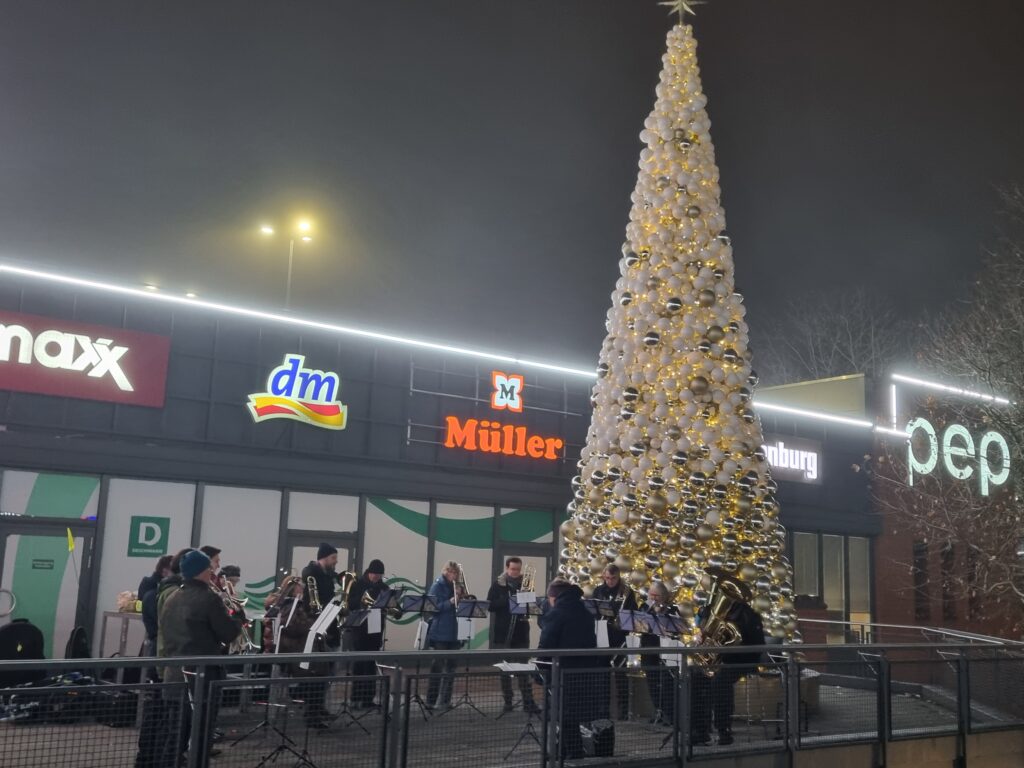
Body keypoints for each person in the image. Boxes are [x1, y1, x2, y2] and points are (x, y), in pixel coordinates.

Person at [157, 550, 242, 764]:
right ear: (201, 572)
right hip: (201, 678)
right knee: (200, 735)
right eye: (209, 568)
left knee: (175, 735)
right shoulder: (208, 598)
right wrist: (238, 617)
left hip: (174, 675)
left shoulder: (171, 598)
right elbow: (228, 633)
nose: (212, 572)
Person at [690, 579, 765, 747]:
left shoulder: (749, 616)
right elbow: (706, 631)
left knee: (720, 681)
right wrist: (702, 636)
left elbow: (757, 646)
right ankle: (699, 730)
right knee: (694, 676)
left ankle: (723, 730)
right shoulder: (715, 611)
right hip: (721, 660)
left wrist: (726, 648)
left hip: (740, 661)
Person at [537, 579, 599, 760]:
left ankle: (569, 753)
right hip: (583, 671)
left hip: (561, 670)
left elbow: (546, 644)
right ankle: (569, 751)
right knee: (572, 715)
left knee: (561, 714)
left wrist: (540, 668)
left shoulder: (557, 613)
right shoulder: (585, 612)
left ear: (553, 597)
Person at [271, 576, 330, 728]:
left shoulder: (295, 605)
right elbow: (290, 627)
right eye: (300, 588)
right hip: (292, 653)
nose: (303, 590)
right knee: (317, 674)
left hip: (299, 650)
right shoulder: (289, 606)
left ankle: (313, 708)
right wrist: (312, 625)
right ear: (293, 590)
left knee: (322, 669)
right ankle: (312, 714)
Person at [487, 557, 540, 714]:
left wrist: (528, 599)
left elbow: (532, 605)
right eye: (513, 569)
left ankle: (528, 702)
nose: (516, 572)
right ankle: (508, 702)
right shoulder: (498, 585)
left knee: (523, 669)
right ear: (507, 568)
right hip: (503, 633)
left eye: (518, 569)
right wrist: (509, 600)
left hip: (521, 632)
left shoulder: (526, 584)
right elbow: (490, 605)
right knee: (505, 670)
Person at [592, 564, 639, 719]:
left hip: (619, 636)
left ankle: (623, 711)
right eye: (607, 578)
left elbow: (633, 612)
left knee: (621, 674)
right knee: (602, 673)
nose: (610, 581)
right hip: (602, 634)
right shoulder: (599, 591)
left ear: (618, 577)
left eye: (613, 578)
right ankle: (602, 709)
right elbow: (594, 610)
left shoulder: (627, 592)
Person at [346, 558, 387, 708]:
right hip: (360, 630)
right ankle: (355, 698)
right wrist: (362, 601)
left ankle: (368, 699)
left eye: (379, 575)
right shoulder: (358, 584)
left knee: (371, 665)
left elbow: (389, 605)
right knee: (358, 665)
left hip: (375, 631)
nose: (376, 577)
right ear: (369, 572)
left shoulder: (384, 588)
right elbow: (350, 603)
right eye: (374, 574)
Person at [640, 581, 680, 726]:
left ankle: (670, 714)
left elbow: (676, 629)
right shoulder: (644, 607)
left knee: (667, 683)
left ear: (664, 596)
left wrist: (660, 614)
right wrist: (650, 612)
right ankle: (658, 711)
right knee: (653, 683)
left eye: (656, 596)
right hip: (649, 650)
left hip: (667, 652)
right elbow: (638, 624)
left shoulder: (672, 609)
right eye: (651, 595)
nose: (653, 598)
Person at [424, 561, 462, 711]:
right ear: (445, 571)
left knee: (451, 669)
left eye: (456, 573)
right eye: (451, 572)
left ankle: (445, 701)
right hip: (440, 632)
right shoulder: (437, 586)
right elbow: (431, 608)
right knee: (437, 668)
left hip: (455, 632)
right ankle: (431, 701)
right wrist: (450, 602)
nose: (454, 575)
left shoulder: (456, 586)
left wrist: (461, 596)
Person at [301, 543, 341, 651]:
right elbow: (307, 605)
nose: (336, 561)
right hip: (317, 628)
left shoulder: (331, 576)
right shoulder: (312, 575)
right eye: (333, 558)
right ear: (324, 558)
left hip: (332, 629)